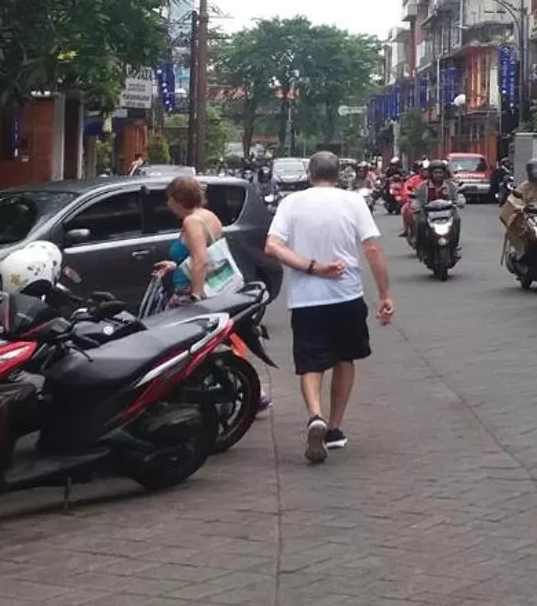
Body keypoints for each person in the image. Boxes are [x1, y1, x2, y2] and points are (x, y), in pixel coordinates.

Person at [263, 150, 394, 463]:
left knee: (310, 361)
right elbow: (372, 249)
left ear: (310, 175)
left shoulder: (291, 203)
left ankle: (315, 415)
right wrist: (385, 293)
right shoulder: (353, 202)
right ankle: (334, 428)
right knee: (345, 358)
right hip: (346, 296)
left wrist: (311, 267)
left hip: (307, 300)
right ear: (339, 176)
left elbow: (272, 246)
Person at [151, 175, 247, 304]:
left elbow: (200, 260)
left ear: (178, 199)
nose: (168, 203)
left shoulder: (191, 221)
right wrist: (175, 266)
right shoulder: (208, 215)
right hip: (211, 287)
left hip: (188, 292)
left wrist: (195, 297)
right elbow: (206, 252)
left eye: (169, 198)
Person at [503, 156, 537, 262]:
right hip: (528, 217)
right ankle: (517, 253)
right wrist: (520, 206)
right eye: (534, 169)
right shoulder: (524, 186)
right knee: (521, 232)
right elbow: (514, 199)